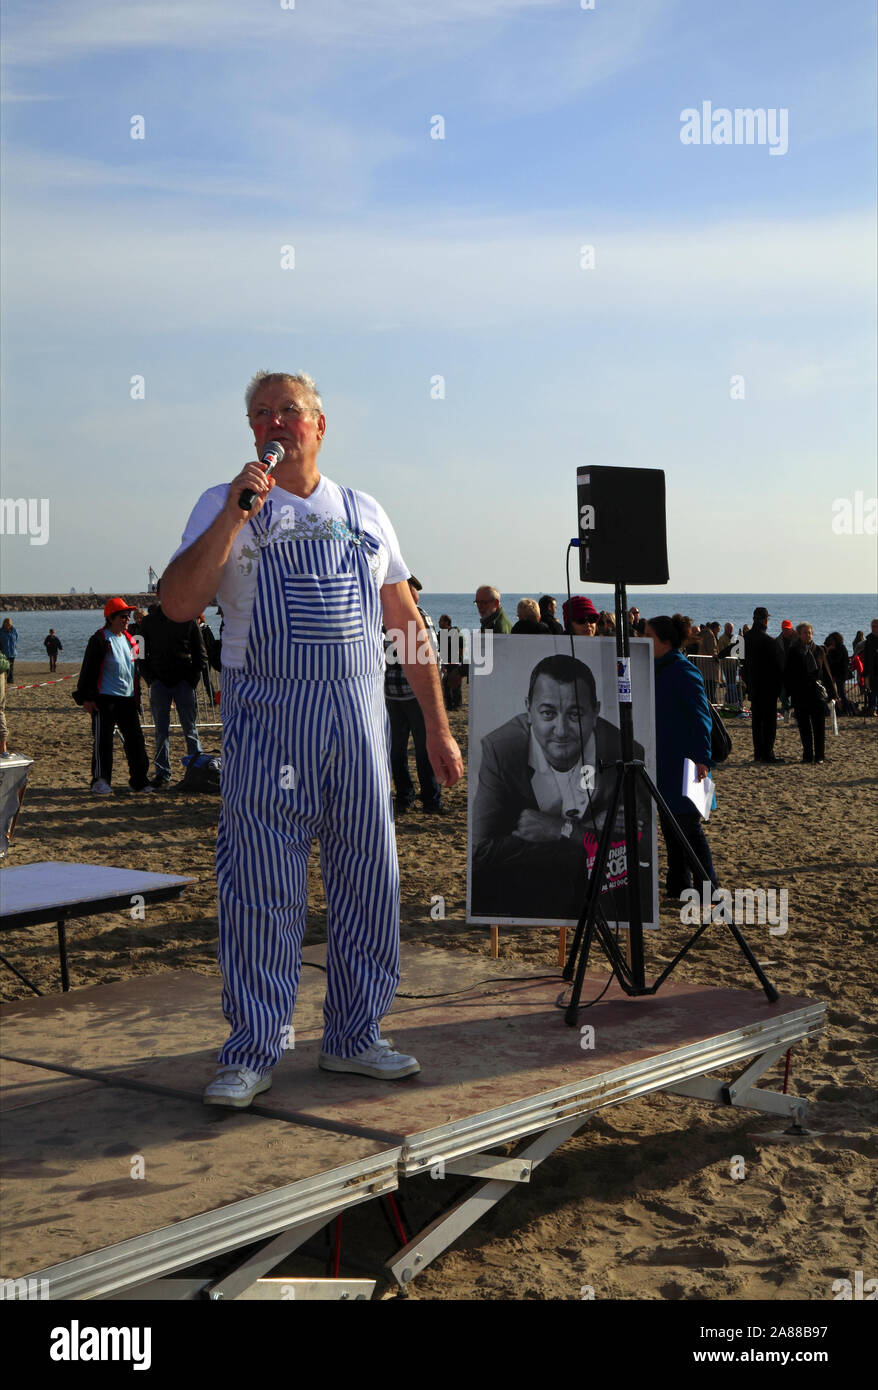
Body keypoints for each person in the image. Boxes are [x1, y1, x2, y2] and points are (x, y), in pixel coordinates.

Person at [160, 370, 462, 1107]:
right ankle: (252, 1050)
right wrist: (236, 514)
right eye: (260, 412)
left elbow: (407, 623)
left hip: (360, 716)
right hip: (267, 718)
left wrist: (437, 727)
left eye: (288, 411)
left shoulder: (364, 511)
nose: (275, 422)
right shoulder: (222, 503)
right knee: (263, 886)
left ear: (319, 425)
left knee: (370, 878)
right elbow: (177, 603)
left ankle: (356, 1039)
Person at [471, 653, 649, 920]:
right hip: (521, 898)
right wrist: (590, 832)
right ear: (528, 709)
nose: (562, 729)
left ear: (595, 712)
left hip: (599, 901)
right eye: (548, 713)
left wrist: (559, 829)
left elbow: (640, 851)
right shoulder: (501, 750)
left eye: (575, 714)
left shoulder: (623, 750)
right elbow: (481, 852)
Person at [644, 615, 717, 899]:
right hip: (664, 761)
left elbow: (702, 719)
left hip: (687, 763)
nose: (643, 640)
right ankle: (678, 886)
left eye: (648, 635)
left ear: (665, 641)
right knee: (671, 827)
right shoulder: (654, 668)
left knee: (688, 828)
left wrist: (703, 759)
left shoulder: (683, 670)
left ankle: (709, 888)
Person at [72, 598, 152, 795]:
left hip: (128, 699)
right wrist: (86, 698)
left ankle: (139, 781)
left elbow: (135, 671)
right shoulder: (99, 639)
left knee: (136, 741)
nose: (127, 620)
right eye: (123, 616)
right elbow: (88, 671)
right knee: (103, 742)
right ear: (111, 618)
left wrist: (139, 696)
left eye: (128, 616)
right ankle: (100, 780)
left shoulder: (129, 639)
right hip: (104, 700)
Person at [385, 575, 444, 815]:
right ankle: (416, 796)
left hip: (402, 693)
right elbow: (433, 656)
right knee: (404, 750)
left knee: (412, 750)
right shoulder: (393, 617)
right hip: (401, 693)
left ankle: (419, 797)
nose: (413, 593)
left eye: (413, 589)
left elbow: (430, 656)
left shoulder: (391, 617)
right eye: (410, 588)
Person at [138, 583, 207, 788]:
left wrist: (191, 680)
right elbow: (139, 652)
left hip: (184, 684)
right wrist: (151, 679)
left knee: (190, 730)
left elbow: (200, 654)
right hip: (160, 684)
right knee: (161, 731)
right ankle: (162, 773)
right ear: (158, 594)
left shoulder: (188, 620)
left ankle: (196, 772)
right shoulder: (148, 622)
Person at [784, 623, 837, 763]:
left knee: (819, 727)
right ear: (799, 635)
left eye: (809, 633)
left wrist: (832, 694)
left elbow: (825, 672)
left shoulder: (819, 650)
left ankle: (820, 756)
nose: (807, 635)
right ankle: (807, 755)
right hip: (800, 694)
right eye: (805, 633)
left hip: (816, 694)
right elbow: (788, 673)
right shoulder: (794, 651)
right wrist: (788, 694)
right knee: (804, 728)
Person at [743, 606, 785, 763]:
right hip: (768, 687)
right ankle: (767, 754)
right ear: (766, 620)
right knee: (769, 723)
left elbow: (739, 657)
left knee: (757, 722)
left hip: (754, 686)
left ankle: (758, 753)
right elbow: (779, 667)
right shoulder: (769, 641)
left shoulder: (746, 638)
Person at [437, 614, 464, 710]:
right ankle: (448, 705)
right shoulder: (441, 634)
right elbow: (441, 650)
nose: (438, 623)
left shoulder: (455, 632)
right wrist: (442, 664)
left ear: (446, 622)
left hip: (455, 662)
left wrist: (461, 661)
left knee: (456, 684)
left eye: (440, 621)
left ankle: (457, 705)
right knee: (445, 684)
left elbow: (462, 646)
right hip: (446, 662)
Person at [824, 632, 854, 716]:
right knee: (835, 693)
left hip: (840, 674)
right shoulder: (836, 648)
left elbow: (836, 661)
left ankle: (846, 710)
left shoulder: (841, 648)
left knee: (841, 693)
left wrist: (829, 652)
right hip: (835, 674)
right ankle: (840, 710)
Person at [862, 619, 878, 716]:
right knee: (874, 690)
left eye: (875, 626)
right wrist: (866, 674)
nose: (873, 628)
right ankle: (873, 708)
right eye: (872, 626)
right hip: (872, 670)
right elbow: (867, 658)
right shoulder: (869, 640)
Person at [0, 620, 19, 685]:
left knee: (11, 667)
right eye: (6, 624)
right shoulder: (1, 631)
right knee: (5, 667)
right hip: (4, 652)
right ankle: (6, 680)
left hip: (12, 652)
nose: (7, 626)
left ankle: (10, 681)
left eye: (9, 625)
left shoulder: (14, 630)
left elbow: (16, 639)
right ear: (4, 624)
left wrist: (14, 647)